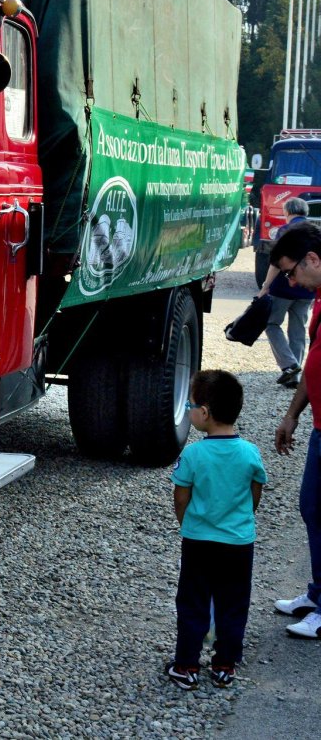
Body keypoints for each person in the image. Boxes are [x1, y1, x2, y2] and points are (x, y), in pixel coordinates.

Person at [165, 369, 266, 690]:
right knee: (233, 602)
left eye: (190, 405)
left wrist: (189, 523)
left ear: (204, 413)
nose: (189, 410)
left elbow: (181, 497)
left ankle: (187, 665)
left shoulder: (193, 454)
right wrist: (240, 519)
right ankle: (224, 665)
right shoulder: (250, 452)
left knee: (193, 600)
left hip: (199, 542)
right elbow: (254, 493)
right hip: (238, 542)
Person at [268, 220, 321, 638]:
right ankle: (317, 594)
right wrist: (292, 414)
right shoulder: (319, 299)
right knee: (312, 508)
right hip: (320, 426)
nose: (291, 280)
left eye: (291, 271)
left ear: (312, 259)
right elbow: (313, 365)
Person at [258, 197, 313, 388]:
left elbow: (275, 263)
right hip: (308, 291)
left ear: (288, 212)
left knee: (272, 324)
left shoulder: (285, 231)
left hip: (283, 288)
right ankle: (294, 376)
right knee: (298, 331)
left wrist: (265, 286)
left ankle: (289, 365)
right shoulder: (314, 231)